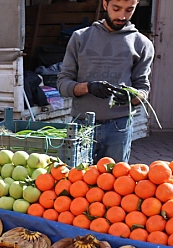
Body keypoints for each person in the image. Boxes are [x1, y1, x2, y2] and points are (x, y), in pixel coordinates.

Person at [57, 0, 154, 163]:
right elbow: (62, 84)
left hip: (119, 127)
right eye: (116, 8)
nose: (122, 16)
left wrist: (133, 97)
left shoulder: (142, 44)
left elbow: (143, 89)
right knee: (77, 183)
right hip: (82, 125)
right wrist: (88, 87)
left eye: (129, 10)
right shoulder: (80, 37)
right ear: (104, 4)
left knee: (115, 183)